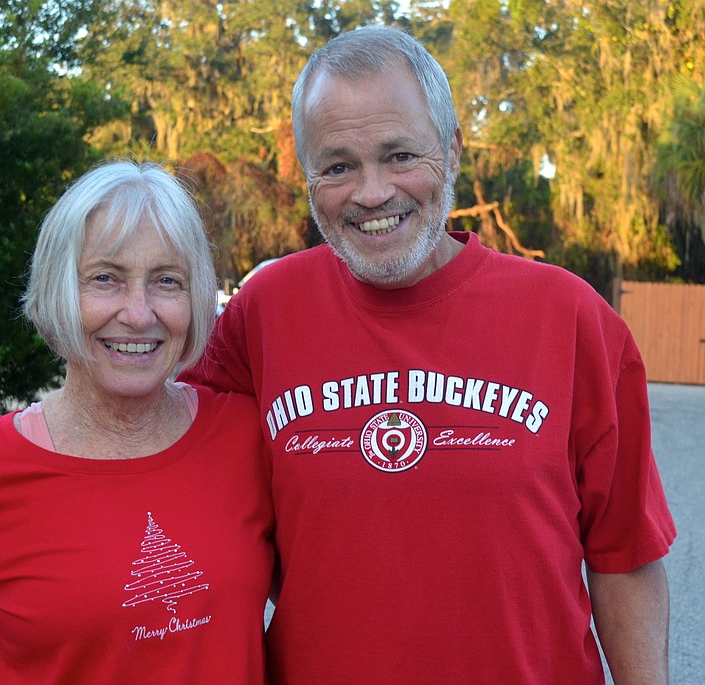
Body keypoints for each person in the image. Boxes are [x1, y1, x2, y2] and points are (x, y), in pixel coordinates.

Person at [179, 25, 677, 684]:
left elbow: (625, 554)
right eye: (337, 165)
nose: (372, 192)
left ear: (452, 150)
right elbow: (159, 454)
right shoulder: (263, 313)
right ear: (307, 175)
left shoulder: (571, 317)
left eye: (399, 155)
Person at [0, 160, 274, 684]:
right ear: (57, 288)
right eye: (105, 278)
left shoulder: (249, 437)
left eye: (167, 281)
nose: (139, 313)